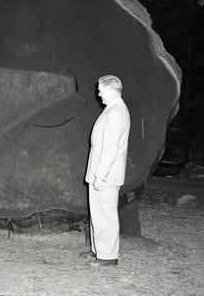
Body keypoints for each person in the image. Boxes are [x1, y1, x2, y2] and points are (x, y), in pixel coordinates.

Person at [81, 75, 130, 267]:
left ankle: (108, 256)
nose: (98, 94)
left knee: (106, 215)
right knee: (98, 213)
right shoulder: (112, 110)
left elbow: (110, 150)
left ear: (110, 89)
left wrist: (100, 176)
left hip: (106, 175)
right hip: (101, 173)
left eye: (100, 90)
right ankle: (98, 250)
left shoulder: (116, 112)